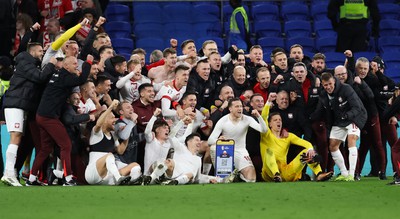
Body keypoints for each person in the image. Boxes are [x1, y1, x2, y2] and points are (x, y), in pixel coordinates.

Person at [26, 55, 92, 186]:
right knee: (66, 145)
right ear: (66, 66)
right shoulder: (65, 77)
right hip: (48, 117)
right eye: (74, 64)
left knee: (45, 149)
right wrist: (88, 62)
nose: (76, 66)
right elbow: (82, 79)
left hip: (41, 115)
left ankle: (31, 179)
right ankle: (68, 178)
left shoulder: (58, 75)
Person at [1, 43, 56, 187]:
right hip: (15, 105)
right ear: (31, 52)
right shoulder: (25, 63)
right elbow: (40, 77)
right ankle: (8, 173)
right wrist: (50, 64)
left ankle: (10, 173)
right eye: (39, 51)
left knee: (17, 137)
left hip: (19, 105)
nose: (41, 53)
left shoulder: (28, 63)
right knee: (15, 137)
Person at [260, 92, 333, 182]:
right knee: (269, 152)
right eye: (275, 120)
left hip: (284, 173)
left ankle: (319, 174)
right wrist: (268, 102)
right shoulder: (266, 135)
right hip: (268, 173)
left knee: (307, 152)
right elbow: (263, 118)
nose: (278, 122)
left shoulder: (288, 136)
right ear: (270, 124)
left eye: (280, 120)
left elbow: (305, 143)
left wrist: (310, 149)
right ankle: (276, 174)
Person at [311, 72, 367, 181]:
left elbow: (357, 107)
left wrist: (347, 115)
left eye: (330, 84)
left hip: (354, 117)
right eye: (325, 85)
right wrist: (310, 118)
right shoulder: (323, 94)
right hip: (339, 120)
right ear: (322, 84)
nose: (328, 87)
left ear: (334, 81)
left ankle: (351, 174)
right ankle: (344, 173)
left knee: (351, 140)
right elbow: (320, 111)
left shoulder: (346, 89)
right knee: (332, 145)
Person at [208, 97, 267, 182]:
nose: (240, 108)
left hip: (241, 151)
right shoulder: (223, 120)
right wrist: (219, 140)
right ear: (230, 109)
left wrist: (258, 116)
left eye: (241, 106)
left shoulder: (247, 119)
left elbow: (264, 130)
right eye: (237, 106)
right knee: (213, 147)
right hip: (227, 151)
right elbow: (210, 140)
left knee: (251, 179)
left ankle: (237, 176)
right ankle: (222, 175)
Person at [85, 100, 141, 185]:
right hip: (93, 174)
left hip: (107, 177)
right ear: (104, 120)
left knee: (135, 166)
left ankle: (132, 182)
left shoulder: (113, 135)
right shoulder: (96, 133)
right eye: (112, 118)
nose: (115, 120)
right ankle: (119, 178)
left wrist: (128, 131)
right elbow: (99, 123)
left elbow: (120, 151)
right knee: (110, 156)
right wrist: (110, 107)